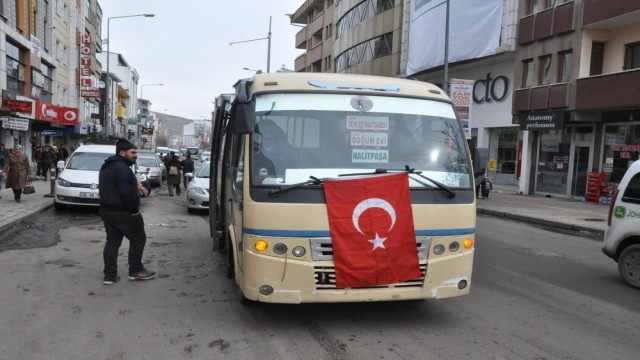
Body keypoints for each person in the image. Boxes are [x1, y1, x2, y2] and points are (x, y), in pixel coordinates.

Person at [99, 139, 155, 285]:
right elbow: (126, 194)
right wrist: (139, 198)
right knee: (138, 239)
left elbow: (117, 187)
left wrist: (135, 187)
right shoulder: (123, 169)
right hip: (124, 212)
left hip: (107, 211)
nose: (135, 155)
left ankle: (109, 276)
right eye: (133, 152)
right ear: (122, 153)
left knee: (112, 242)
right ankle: (136, 270)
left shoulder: (107, 166)